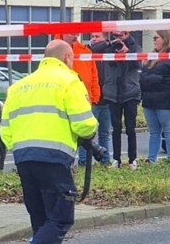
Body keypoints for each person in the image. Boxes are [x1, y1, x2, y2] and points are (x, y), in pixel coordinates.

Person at [1, 40, 98, 244]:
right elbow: (83, 124)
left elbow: (5, 128)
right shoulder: (68, 81)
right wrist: (91, 133)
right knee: (61, 218)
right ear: (68, 57)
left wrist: (21, 149)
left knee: (41, 218)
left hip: (24, 158)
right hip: (54, 159)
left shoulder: (19, 86)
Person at [98, 31, 141, 169]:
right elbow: (96, 53)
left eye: (120, 36)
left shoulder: (135, 48)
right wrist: (112, 48)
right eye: (115, 36)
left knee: (130, 128)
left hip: (130, 92)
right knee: (116, 128)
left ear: (127, 34)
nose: (118, 39)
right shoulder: (109, 48)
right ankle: (116, 159)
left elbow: (138, 64)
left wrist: (127, 53)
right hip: (112, 92)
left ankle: (132, 159)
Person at [59, 32, 102, 166]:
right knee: (67, 134)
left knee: (84, 132)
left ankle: (83, 161)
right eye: (72, 33)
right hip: (63, 100)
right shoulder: (55, 50)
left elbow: (93, 76)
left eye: (77, 34)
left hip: (84, 99)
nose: (75, 36)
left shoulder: (85, 51)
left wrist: (95, 96)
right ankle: (69, 162)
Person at [140, 29, 170, 163]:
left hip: (166, 100)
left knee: (169, 131)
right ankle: (151, 160)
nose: (154, 41)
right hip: (149, 100)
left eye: (156, 38)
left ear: (164, 39)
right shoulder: (152, 56)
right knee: (153, 132)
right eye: (153, 38)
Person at [87, 31, 114, 164]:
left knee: (105, 133)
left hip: (107, 98)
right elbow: (92, 49)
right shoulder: (88, 51)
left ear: (105, 38)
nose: (94, 39)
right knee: (87, 134)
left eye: (97, 37)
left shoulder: (110, 52)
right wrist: (106, 44)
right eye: (92, 37)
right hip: (93, 99)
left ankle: (105, 160)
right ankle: (83, 161)